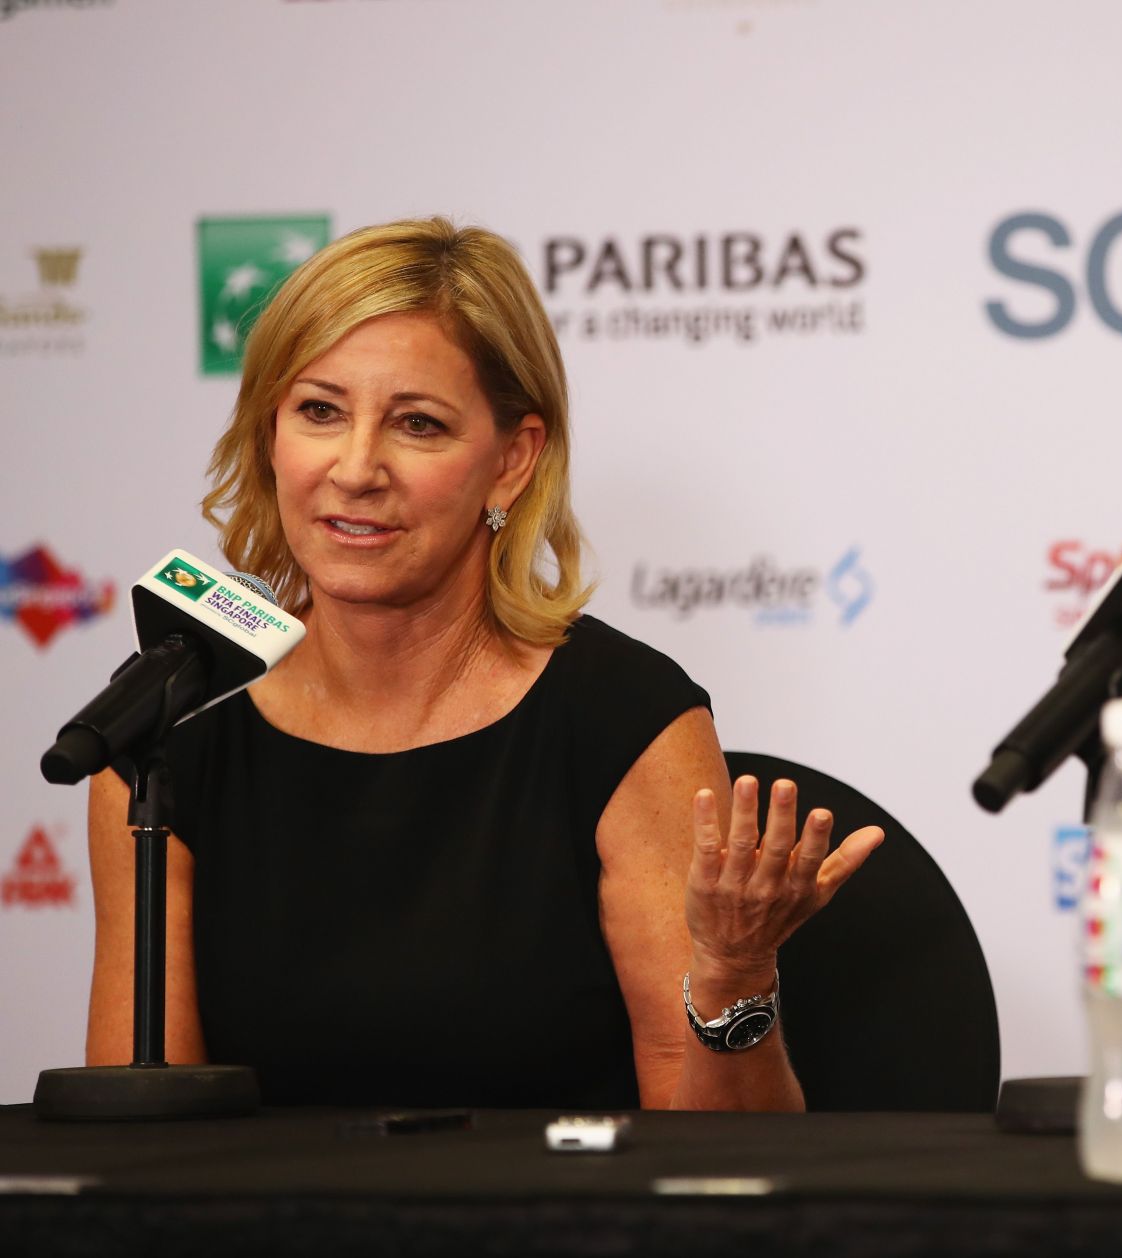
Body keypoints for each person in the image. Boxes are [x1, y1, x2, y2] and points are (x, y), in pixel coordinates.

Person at [84, 217, 883, 1110]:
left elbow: (720, 1170)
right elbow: (139, 1150)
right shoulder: (172, 734)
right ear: (269, 436)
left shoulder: (623, 719)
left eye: (417, 425)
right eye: (319, 411)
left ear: (511, 461)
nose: (354, 468)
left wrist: (734, 975)